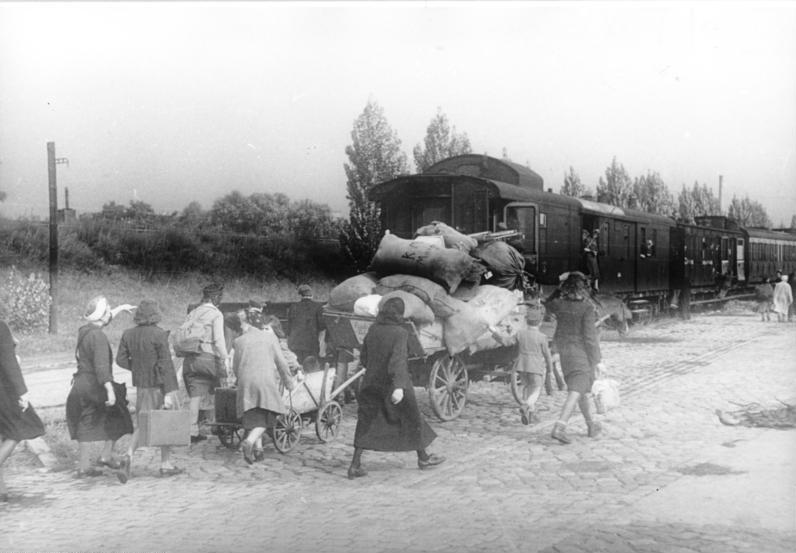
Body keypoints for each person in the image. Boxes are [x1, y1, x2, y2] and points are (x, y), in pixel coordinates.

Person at [348, 297, 444, 479]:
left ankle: (355, 465)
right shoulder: (401, 333)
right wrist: (398, 387)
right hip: (395, 384)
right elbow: (397, 361)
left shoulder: (373, 329)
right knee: (413, 418)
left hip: (371, 383)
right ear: (399, 314)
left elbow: (364, 358)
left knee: (366, 422)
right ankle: (423, 458)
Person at [65, 296, 132, 480]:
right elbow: (102, 366)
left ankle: (84, 466)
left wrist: (120, 308)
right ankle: (106, 455)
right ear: (102, 316)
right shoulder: (99, 337)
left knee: (85, 423)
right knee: (120, 415)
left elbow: (102, 320)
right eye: (107, 310)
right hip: (95, 385)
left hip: (80, 385)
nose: (109, 312)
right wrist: (110, 390)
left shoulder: (85, 330)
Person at [115, 300, 182, 480]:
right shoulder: (159, 335)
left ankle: (128, 454)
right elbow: (166, 365)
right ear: (155, 314)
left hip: (142, 386)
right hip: (160, 386)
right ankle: (165, 464)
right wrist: (169, 393)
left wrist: (137, 368)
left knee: (142, 424)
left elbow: (120, 360)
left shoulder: (128, 334)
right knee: (166, 422)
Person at [544, 272, 605, 444]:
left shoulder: (559, 304)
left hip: (565, 354)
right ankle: (560, 426)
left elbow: (547, 303)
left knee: (581, 390)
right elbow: (590, 337)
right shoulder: (587, 307)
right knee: (575, 391)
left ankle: (591, 424)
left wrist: (559, 287)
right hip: (581, 355)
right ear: (583, 288)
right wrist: (598, 360)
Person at [232, 307, 295, 464]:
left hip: (246, 382)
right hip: (265, 381)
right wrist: (288, 381)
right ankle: (250, 441)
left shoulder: (238, 341)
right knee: (269, 417)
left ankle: (259, 451)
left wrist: (240, 379)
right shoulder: (270, 339)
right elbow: (281, 363)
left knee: (254, 416)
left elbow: (235, 366)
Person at [0, 320, 45, 501]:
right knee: (20, 428)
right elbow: (9, 363)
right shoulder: (0, 327)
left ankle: (1, 491)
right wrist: (22, 392)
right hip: (3, 391)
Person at [182, 282, 228, 443]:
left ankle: (192, 431)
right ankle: (219, 425)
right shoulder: (216, 314)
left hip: (190, 359)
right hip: (208, 359)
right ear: (215, 297)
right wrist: (225, 358)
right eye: (220, 297)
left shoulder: (193, 312)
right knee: (222, 389)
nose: (220, 300)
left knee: (195, 395)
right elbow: (218, 339)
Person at [514, 303, 554, 425]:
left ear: (526, 321)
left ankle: (530, 414)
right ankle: (527, 405)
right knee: (536, 388)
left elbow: (506, 341)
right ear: (540, 322)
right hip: (535, 367)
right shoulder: (542, 337)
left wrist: (494, 333)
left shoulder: (520, 333)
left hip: (522, 366)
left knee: (526, 387)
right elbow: (547, 355)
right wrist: (550, 369)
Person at [287, 284, 325, 365]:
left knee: (298, 366)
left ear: (301, 295)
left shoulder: (293, 306)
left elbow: (289, 327)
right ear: (311, 294)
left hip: (295, 344)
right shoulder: (318, 306)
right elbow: (322, 326)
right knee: (311, 367)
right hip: (311, 344)